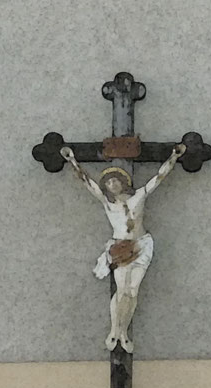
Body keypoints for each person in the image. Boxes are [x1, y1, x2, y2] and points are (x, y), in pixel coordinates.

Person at [60, 143, 185, 353]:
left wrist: (173, 157)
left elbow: (159, 177)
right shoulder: (108, 204)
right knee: (122, 290)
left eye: (115, 180)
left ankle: (123, 331)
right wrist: (72, 160)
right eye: (108, 183)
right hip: (120, 247)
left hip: (141, 245)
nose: (112, 185)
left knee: (133, 291)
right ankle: (114, 330)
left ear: (122, 182)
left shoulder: (139, 196)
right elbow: (87, 183)